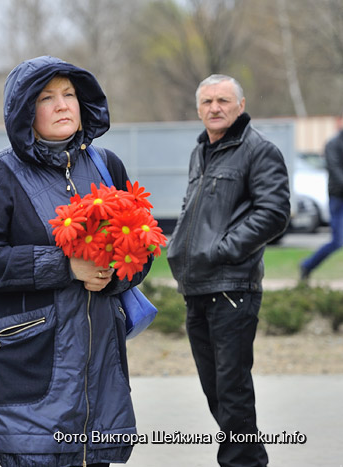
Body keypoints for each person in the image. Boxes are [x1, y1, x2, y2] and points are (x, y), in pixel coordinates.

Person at [0, 56, 151, 467]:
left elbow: (141, 247)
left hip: (99, 371)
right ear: (25, 111)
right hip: (27, 367)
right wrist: (65, 266)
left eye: (70, 95)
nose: (64, 105)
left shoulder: (106, 166)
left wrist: (112, 274)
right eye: (47, 98)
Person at [167, 74, 290, 467]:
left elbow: (273, 214)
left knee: (232, 390)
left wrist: (222, 251)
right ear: (198, 108)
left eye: (223, 100)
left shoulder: (259, 151)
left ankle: (241, 462)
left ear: (240, 105)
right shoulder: (201, 151)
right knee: (216, 390)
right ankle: (249, 460)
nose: (214, 108)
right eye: (207, 102)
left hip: (232, 287)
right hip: (197, 287)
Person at [300, 113, 343, 280]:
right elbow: (335, 171)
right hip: (338, 199)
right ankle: (307, 265)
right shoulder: (333, 144)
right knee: (338, 241)